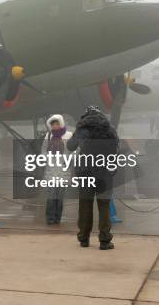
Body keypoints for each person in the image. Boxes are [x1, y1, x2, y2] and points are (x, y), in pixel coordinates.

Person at [67, 106, 119, 250]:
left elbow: (70, 146)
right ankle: (104, 240)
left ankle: (84, 238)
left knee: (85, 206)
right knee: (104, 206)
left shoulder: (82, 129)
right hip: (104, 173)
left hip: (85, 171)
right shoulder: (109, 129)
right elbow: (115, 148)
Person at [42, 114, 72, 225]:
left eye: (57, 124)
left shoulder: (69, 135)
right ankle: (49, 218)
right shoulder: (48, 136)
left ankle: (57, 218)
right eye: (53, 124)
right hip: (51, 170)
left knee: (60, 197)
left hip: (63, 171)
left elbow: (75, 150)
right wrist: (46, 158)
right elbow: (43, 150)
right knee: (51, 196)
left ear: (61, 123)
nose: (55, 126)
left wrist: (68, 159)